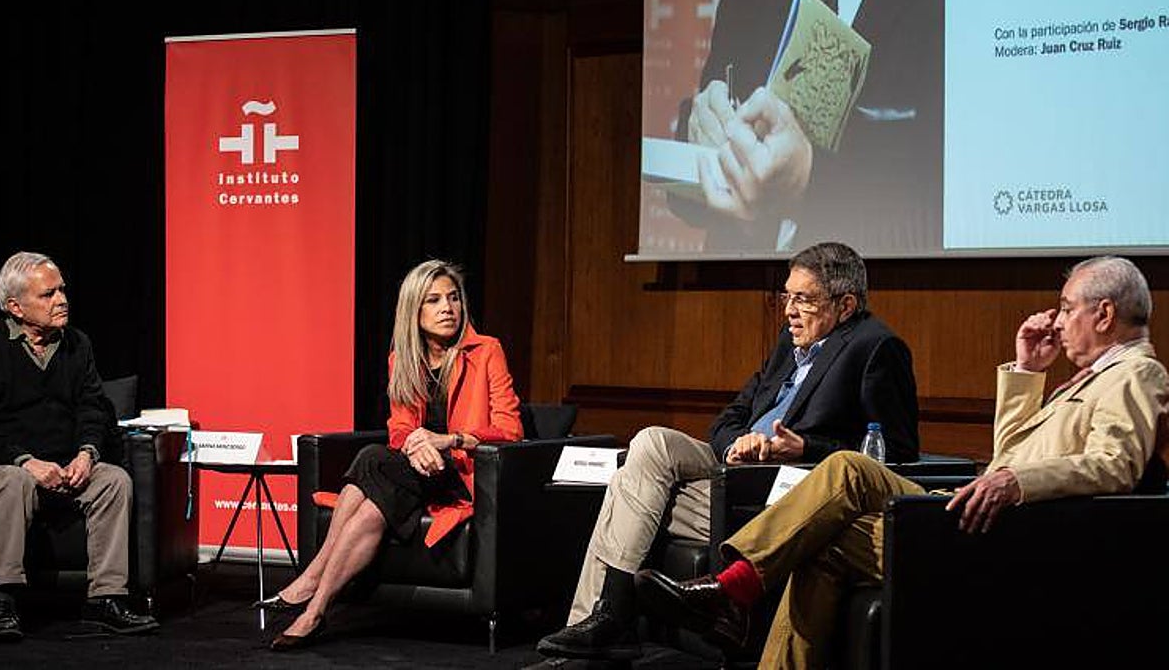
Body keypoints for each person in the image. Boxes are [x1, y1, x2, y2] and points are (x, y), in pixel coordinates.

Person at [636, 256, 1169, 669]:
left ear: (1104, 313)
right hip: (975, 516)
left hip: (1011, 537)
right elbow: (1007, 455)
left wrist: (1015, 482)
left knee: (847, 469)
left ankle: (731, 589)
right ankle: (737, 594)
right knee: (828, 530)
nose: (1056, 318)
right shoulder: (1092, 375)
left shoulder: (1137, 375)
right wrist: (1027, 373)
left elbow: (1113, 465)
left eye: (1067, 306)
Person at [536, 242, 918, 662]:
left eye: (803, 299)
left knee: (632, 490)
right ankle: (604, 616)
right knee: (650, 443)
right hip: (732, 470)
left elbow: (896, 451)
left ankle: (604, 623)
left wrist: (801, 447)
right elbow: (729, 418)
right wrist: (736, 444)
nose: (788, 310)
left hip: (782, 490)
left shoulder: (876, 347)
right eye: (786, 296)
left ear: (845, 305)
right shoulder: (789, 343)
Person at [673, 0, 943, 255]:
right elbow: (715, 106)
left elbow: (951, 184)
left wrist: (808, 180)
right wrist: (699, 140)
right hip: (735, 296)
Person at [262, 259, 523, 650]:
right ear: (414, 312)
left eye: (453, 298)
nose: (447, 308)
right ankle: (315, 612)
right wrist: (418, 444)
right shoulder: (403, 359)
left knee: (371, 457)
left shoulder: (487, 351)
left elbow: (510, 431)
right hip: (419, 472)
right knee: (372, 497)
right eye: (433, 301)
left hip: (466, 477)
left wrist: (448, 440)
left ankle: (313, 579)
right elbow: (400, 428)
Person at [0, 251, 158, 641]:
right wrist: (26, 462)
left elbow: (94, 408)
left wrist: (87, 454)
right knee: (12, 481)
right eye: (48, 294)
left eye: (62, 290)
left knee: (113, 480)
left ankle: (106, 599)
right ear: (15, 307)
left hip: (63, 461)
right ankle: (3, 600)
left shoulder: (77, 345)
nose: (61, 300)